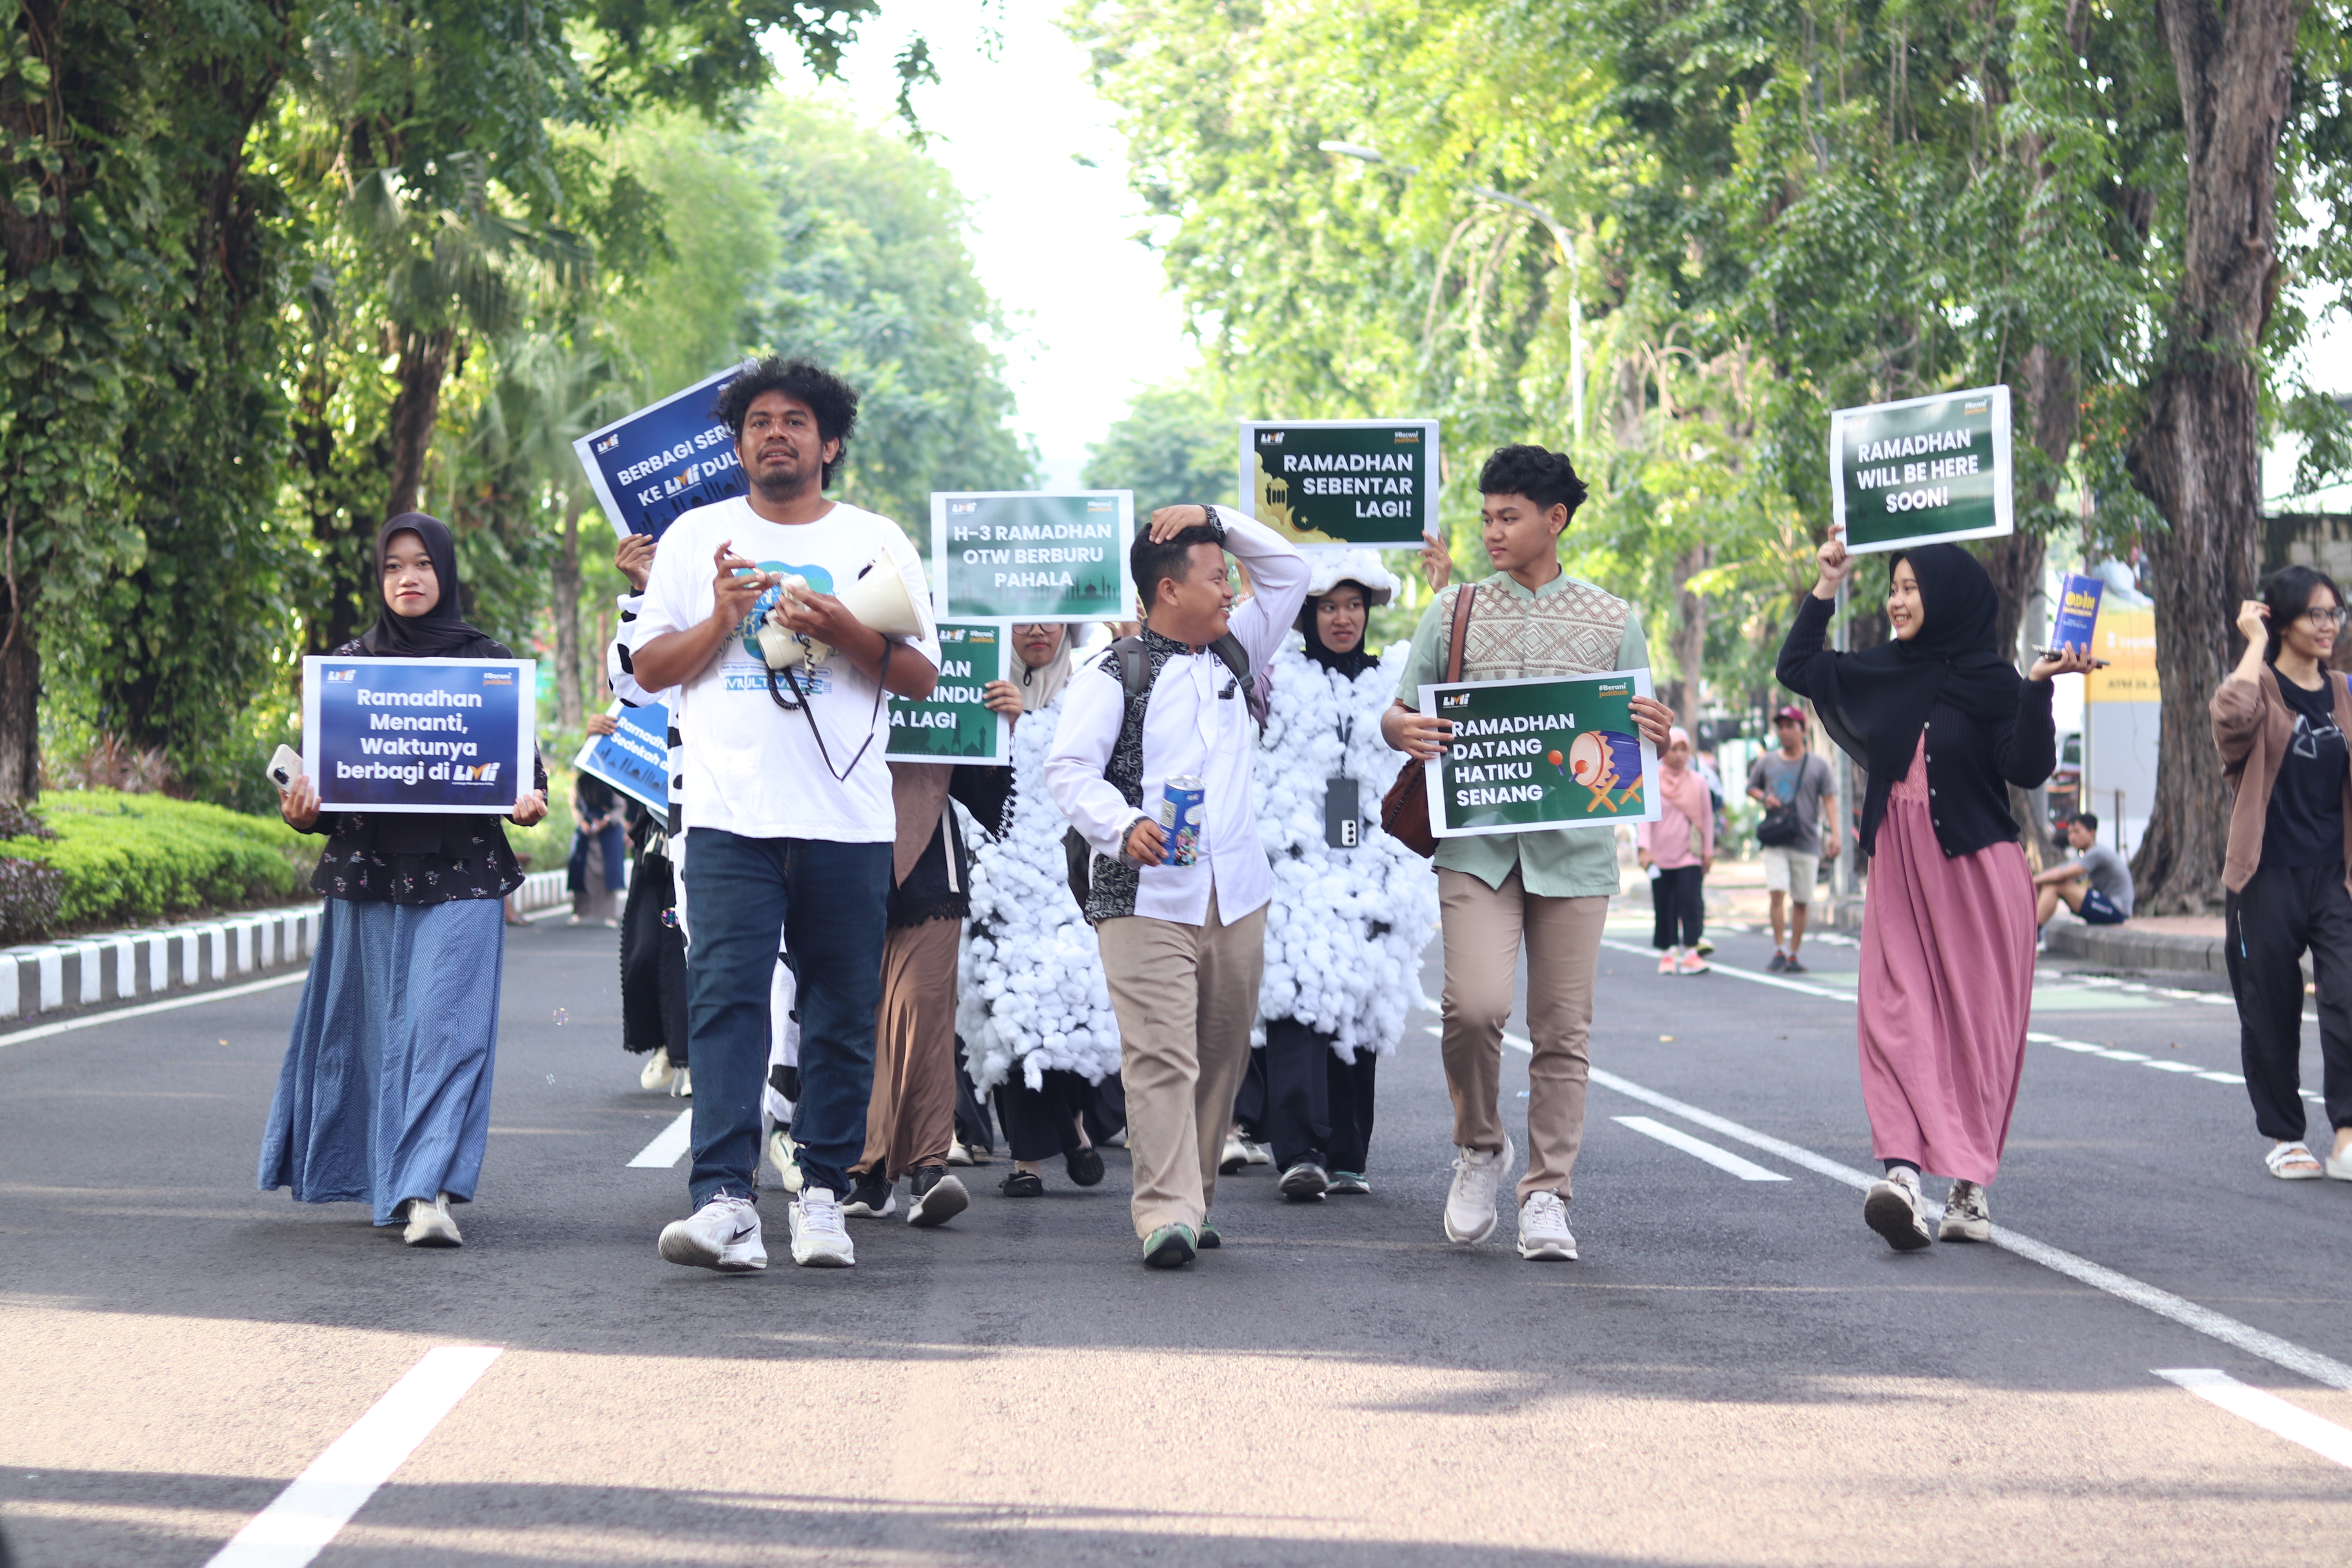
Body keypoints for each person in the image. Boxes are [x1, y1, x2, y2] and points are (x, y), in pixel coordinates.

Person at [630, 356, 941, 1272]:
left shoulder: (874, 537)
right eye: (759, 420)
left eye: (796, 421)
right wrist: (724, 619)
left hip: (847, 818)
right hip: (729, 815)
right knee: (725, 1002)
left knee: (843, 1010)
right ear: (738, 443)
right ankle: (725, 1200)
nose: (776, 431)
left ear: (829, 442)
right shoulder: (696, 537)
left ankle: (822, 1197)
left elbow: (921, 676)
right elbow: (651, 672)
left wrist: (843, 626)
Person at [1380, 445, 1674, 1262]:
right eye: (1486, 517)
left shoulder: (1614, 617)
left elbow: (1643, 726)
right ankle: (1479, 1144)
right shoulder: (1454, 610)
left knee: (1562, 1029)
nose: (1494, 531)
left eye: (1510, 516)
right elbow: (1399, 714)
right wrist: (1402, 728)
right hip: (1477, 847)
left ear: (1557, 519)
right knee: (1472, 1008)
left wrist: (1660, 726)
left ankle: (1547, 1191)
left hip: (1575, 853)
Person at [1777, 535, 2085, 1250]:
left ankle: (1969, 1187)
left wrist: (2038, 689)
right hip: (1898, 870)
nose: (1897, 600)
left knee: (1976, 1034)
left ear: (1948, 597)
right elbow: (1797, 666)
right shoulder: (1886, 670)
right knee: (1896, 1017)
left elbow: (2029, 768)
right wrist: (1826, 584)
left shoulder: (1995, 682)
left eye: (1912, 587)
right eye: (1894, 587)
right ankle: (1904, 1176)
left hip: (1980, 879)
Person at [260, 514, 551, 1247]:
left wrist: (528, 798)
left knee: (446, 1029)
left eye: (422, 565)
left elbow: (529, 780)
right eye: (394, 567)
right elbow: (333, 796)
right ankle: (390, 1181)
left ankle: (429, 1192)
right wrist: (301, 813)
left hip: (464, 874)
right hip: (369, 876)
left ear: (446, 573)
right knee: (374, 1032)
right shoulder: (351, 669)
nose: (409, 579)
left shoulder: (488, 661)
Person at [1046, 503, 1309, 1268]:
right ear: (1168, 592)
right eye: (1216, 577)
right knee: (1162, 1053)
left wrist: (1216, 521)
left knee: (1221, 1054)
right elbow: (1068, 769)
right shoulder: (1113, 673)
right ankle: (1164, 1211)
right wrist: (1120, 823)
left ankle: (1193, 1197)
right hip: (1143, 893)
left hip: (1237, 893)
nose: (1232, 588)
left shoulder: (1238, 650)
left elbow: (1291, 570)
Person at [1251, 551, 1437, 1200]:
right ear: (1305, 614)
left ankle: (1349, 1153)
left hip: (1373, 866)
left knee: (1361, 1004)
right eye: (1328, 606)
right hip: (1295, 868)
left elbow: (1449, 687)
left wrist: (1445, 589)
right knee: (1298, 998)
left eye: (1354, 605)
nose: (1343, 618)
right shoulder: (1272, 678)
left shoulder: (1393, 681)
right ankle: (1299, 1151)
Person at [963, 621, 1122, 1197]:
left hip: (1070, 884)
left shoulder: (1091, 696)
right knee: (1010, 1017)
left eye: (1049, 620)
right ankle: (1029, 1161)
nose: (1036, 631)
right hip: (999, 886)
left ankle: (1078, 1125)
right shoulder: (977, 695)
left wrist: (1031, 723)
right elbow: (968, 793)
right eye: (1022, 621)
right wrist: (995, 730)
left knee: (1066, 1014)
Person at [2212, 565, 2352, 1181]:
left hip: (2335, 877)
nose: (2329, 625)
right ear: (2283, 619)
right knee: (2269, 1003)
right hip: (2265, 873)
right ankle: (2285, 1134)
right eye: (2316, 614)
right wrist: (2254, 646)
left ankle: (2348, 1134)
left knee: (2348, 998)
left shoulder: (2346, 691)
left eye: (2336, 614)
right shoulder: (2260, 687)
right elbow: (2231, 721)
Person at [838, 757, 1009, 1226]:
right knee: (859, 1019)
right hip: (841, 850)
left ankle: (930, 1167)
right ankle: (869, 1171)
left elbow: (984, 787)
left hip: (930, 865)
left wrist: (999, 732)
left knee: (924, 1010)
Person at [604, 532, 693, 1098]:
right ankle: (662, 1045)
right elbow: (631, 689)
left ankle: (693, 1060)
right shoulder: (649, 671)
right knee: (646, 950)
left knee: (697, 952)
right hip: (659, 838)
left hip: (721, 824)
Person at [1746, 704, 1839, 972]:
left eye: (1790, 727)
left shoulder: (1818, 765)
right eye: (1781, 727)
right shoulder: (1768, 761)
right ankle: (1779, 948)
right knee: (1777, 893)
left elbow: (1830, 800)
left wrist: (1835, 834)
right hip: (1776, 839)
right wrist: (1765, 797)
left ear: (1803, 730)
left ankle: (1794, 954)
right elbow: (1751, 787)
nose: (1785, 732)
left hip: (1807, 840)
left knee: (1802, 900)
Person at [1636, 727, 1714, 975]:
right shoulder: (1651, 778)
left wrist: (1708, 852)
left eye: (1684, 750)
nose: (1680, 755)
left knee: (1691, 902)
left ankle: (1691, 951)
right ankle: (1669, 953)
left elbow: (1707, 819)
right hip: (1660, 854)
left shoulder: (1699, 782)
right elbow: (1645, 818)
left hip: (1689, 854)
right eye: (1675, 749)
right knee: (1665, 904)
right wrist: (1644, 849)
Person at [2032, 811, 2132, 930]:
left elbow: (2061, 875)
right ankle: (2034, 934)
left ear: (2092, 833)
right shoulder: (2083, 856)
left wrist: (2032, 882)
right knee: (2050, 883)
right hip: (2104, 905)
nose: (2072, 837)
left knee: (2056, 885)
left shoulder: (2097, 853)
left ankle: (2034, 935)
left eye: (2077, 832)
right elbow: (2059, 869)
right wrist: (2037, 881)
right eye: (2069, 833)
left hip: (2117, 911)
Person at [567, 769, 625, 926]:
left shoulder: (612, 779)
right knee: (580, 870)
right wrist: (583, 823)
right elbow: (575, 806)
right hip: (587, 830)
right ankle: (580, 911)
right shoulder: (581, 781)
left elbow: (620, 807)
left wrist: (607, 821)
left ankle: (610, 914)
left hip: (609, 831)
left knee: (610, 871)